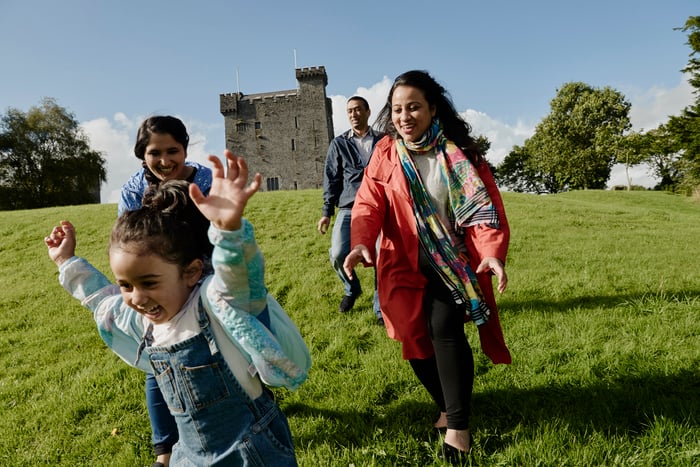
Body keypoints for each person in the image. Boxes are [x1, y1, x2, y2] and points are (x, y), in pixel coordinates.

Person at [46, 151, 311, 466]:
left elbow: (240, 278)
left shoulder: (217, 304)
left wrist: (229, 232)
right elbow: (104, 302)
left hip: (250, 450)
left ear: (192, 272)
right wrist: (67, 261)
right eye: (127, 285)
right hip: (191, 454)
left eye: (149, 282)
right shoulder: (145, 321)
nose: (137, 297)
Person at [343, 70, 511, 462]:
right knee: (411, 338)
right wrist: (361, 243)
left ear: (432, 109)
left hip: (451, 261)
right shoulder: (385, 152)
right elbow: (368, 204)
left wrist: (490, 252)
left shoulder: (460, 154)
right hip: (402, 261)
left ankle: (458, 426)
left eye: (414, 107)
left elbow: (486, 211)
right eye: (398, 109)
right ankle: (446, 403)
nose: (404, 116)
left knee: (444, 329)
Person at [118, 115, 212, 467]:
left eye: (173, 150)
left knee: (220, 352)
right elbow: (128, 240)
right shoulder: (132, 190)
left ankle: (239, 412)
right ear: (142, 155)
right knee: (157, 363)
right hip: (159, 287)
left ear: (185, 149)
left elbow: (223, 230)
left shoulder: (206, 180)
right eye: (154, 152)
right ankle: (165, 452)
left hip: (205, 276)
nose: (165, 160)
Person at [317, 96, 384, 322]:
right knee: (337, 253)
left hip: (379, 208)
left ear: (367, 111)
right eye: (349, 111)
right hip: (349, 207)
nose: (353, 114)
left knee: (381, 255)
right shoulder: (339, 144)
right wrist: (327, 212)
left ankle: (379, 307)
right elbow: (331, 179)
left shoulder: (384, 141)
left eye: (357, 110)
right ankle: (351, 288)